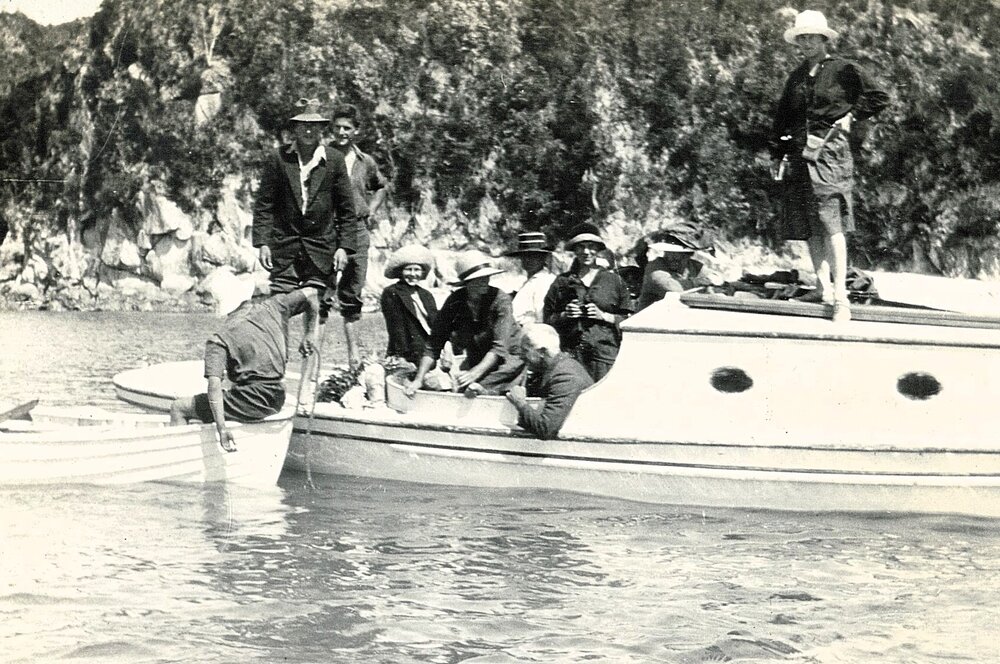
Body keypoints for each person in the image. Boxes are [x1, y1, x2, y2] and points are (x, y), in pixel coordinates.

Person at [770, 10, 889, 322]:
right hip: (798, 155)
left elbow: (879, 96)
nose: (807, 42)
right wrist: (778, 152)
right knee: (810, 225)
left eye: (812, 37)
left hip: (830, 153)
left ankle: (841, 296)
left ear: (824, 39)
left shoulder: (843, 69)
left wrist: (852, 116)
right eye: (802, 38)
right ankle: (822, 288)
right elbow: (783, 119)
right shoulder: (795, 77)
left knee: (832, 222)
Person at [169, 286, 320, 452]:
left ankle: (178, 455)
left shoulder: (219, 339)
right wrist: (310, 334)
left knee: (179, 407)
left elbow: (214, 387)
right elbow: (312, 293)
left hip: (251, 402)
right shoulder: (275, 306)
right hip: (276, 397)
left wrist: (222, 429)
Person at [405, 250, 523, 397]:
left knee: (477, 388)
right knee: (465, 388)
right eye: (478, 279)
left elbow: (499, 348)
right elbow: (433, 344)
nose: (484, 283)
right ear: (467, 283)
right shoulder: (455, 301)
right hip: (479, 358)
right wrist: (418, 379)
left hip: (510, 357)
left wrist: (474, 373)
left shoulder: (501, 300)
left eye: (486, 278)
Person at [330, 103, 390, 368]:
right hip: (328, 229)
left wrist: (371, 211)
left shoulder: (366, 161)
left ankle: (353, 356)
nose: (342, 132)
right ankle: (312, 357)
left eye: (347, 128)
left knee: (353, 290)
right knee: (321, 290)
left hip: (356, 229)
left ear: (356, 131)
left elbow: (381, 187)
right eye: (338, 127)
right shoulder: (323, 155)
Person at [543, 223, 633, 381]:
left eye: (591, 246)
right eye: (580, 247)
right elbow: (547, 320)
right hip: (570, 357)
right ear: (574, 250)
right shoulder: (562, 281)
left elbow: (631, 321)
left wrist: (604, 316)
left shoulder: (614, 281)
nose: (586, 252)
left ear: (598, 249)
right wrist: (565, 315)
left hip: (604, 357)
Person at [505, 323, 593, 440]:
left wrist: (520, 403)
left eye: (525, 350)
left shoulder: (566, 377)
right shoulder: (552, 368)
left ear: (542, 352)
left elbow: (546, 429)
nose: (521, 356)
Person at [380, 244, 439, 367]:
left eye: (417, 270)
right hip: (409, 350)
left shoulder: (426, 294)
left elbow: (436, 322)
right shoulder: (392, 292)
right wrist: (401, 356)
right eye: (408, 269)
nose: (412, 274)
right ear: (400, 272)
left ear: (422, 272)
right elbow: (396, 327)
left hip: (431, 347)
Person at [634, 231, 709, 310]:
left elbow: (714, 277)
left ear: (689, 255)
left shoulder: (693, 265)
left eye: (677, 254)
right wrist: (699, 282)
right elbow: (675, 289)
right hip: (650, 319)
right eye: (669, 253)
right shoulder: (655, 268)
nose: (671, 258)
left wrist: (713, 280)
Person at [505, 231, 557, 327]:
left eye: (534, 256)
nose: (528, 260)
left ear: (543, 258)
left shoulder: (544, 281)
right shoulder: (529, 281)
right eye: (525, 256)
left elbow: (541, 317)